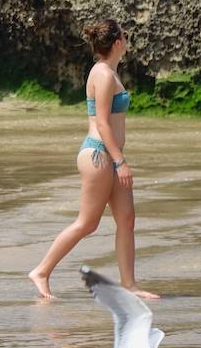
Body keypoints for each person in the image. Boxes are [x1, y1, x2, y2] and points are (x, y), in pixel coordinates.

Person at [28, 20, 159, 301]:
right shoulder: (102, 74)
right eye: (125, 35)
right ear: (117, 43)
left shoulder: (111, 73)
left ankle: (129, 285)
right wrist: (121, 161)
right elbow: (102, 123)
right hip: (100, 155)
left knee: (126, 219)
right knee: (87, 223)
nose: (127, 38)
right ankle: (41, 271)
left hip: (109, 155)